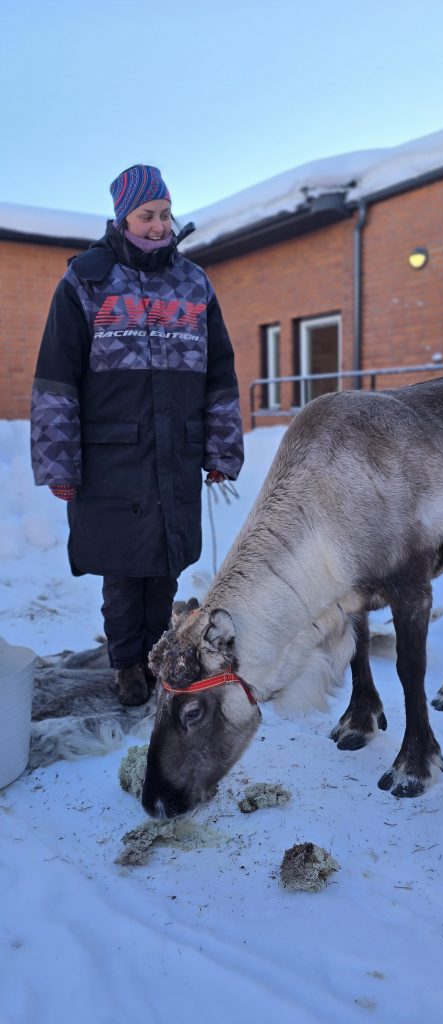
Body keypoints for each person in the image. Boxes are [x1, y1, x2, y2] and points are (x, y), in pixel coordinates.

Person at [31, 164, 244, 706]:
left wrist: (220, 446)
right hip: (111, 455)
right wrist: (59, 462)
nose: (158, 225)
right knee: (124, 570)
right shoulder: (87, 280)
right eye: (147, 215)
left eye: (165, 214)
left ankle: (159, 654)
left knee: (166, 564)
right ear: (123, 216)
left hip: (175, 452)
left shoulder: (193, 282)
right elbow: (57, 376)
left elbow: (219, 373)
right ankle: (128, 664)